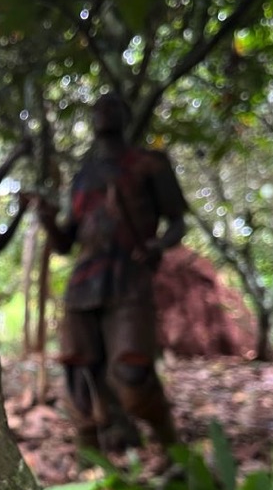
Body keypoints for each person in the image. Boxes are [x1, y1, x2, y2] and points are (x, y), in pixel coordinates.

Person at [35, 93, 187, 454]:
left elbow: (178, 222)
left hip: (130, 278)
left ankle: (169, 440)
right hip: (84, 283)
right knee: (79, 371)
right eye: (98, 109)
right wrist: (48, 223)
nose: (105, 112)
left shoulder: (149, 164)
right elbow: (65, 243)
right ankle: (92, 457)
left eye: (113, 106)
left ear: (125, 115)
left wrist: (157, 246)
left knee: (132, 374)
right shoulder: (84, 175)